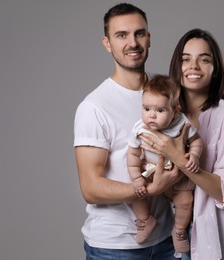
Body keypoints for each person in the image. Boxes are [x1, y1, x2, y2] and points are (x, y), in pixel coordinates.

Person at [74, 3, 180, 259]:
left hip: (167, 241)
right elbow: (91, 188)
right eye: (121, 35)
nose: (132, 42)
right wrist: (149, 190)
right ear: (107, 43)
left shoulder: (165, 94)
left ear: (149, 38)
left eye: (139, 33)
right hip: (115, 248)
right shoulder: (94, 106)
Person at [139, 28, 224, 259]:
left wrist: (179, 158)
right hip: (167, 237)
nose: (194, 66)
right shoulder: (164, 117)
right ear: (176, 66)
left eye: (204, 59)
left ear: (215, 68)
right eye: (186, 59)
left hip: (213, 237)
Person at [127, 75, 203, 253]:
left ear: (175, 111)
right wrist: (137, 178)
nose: (151, 115)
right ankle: (146, 219)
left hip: (178, 173)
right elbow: (132, 154)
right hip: (150, 172)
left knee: (186, 201)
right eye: (146, 109)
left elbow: (197, 141)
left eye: (160, 110)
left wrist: (194, 155)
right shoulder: (139, 129)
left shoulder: (182, 123)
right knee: (135, 193)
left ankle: (178, 231)